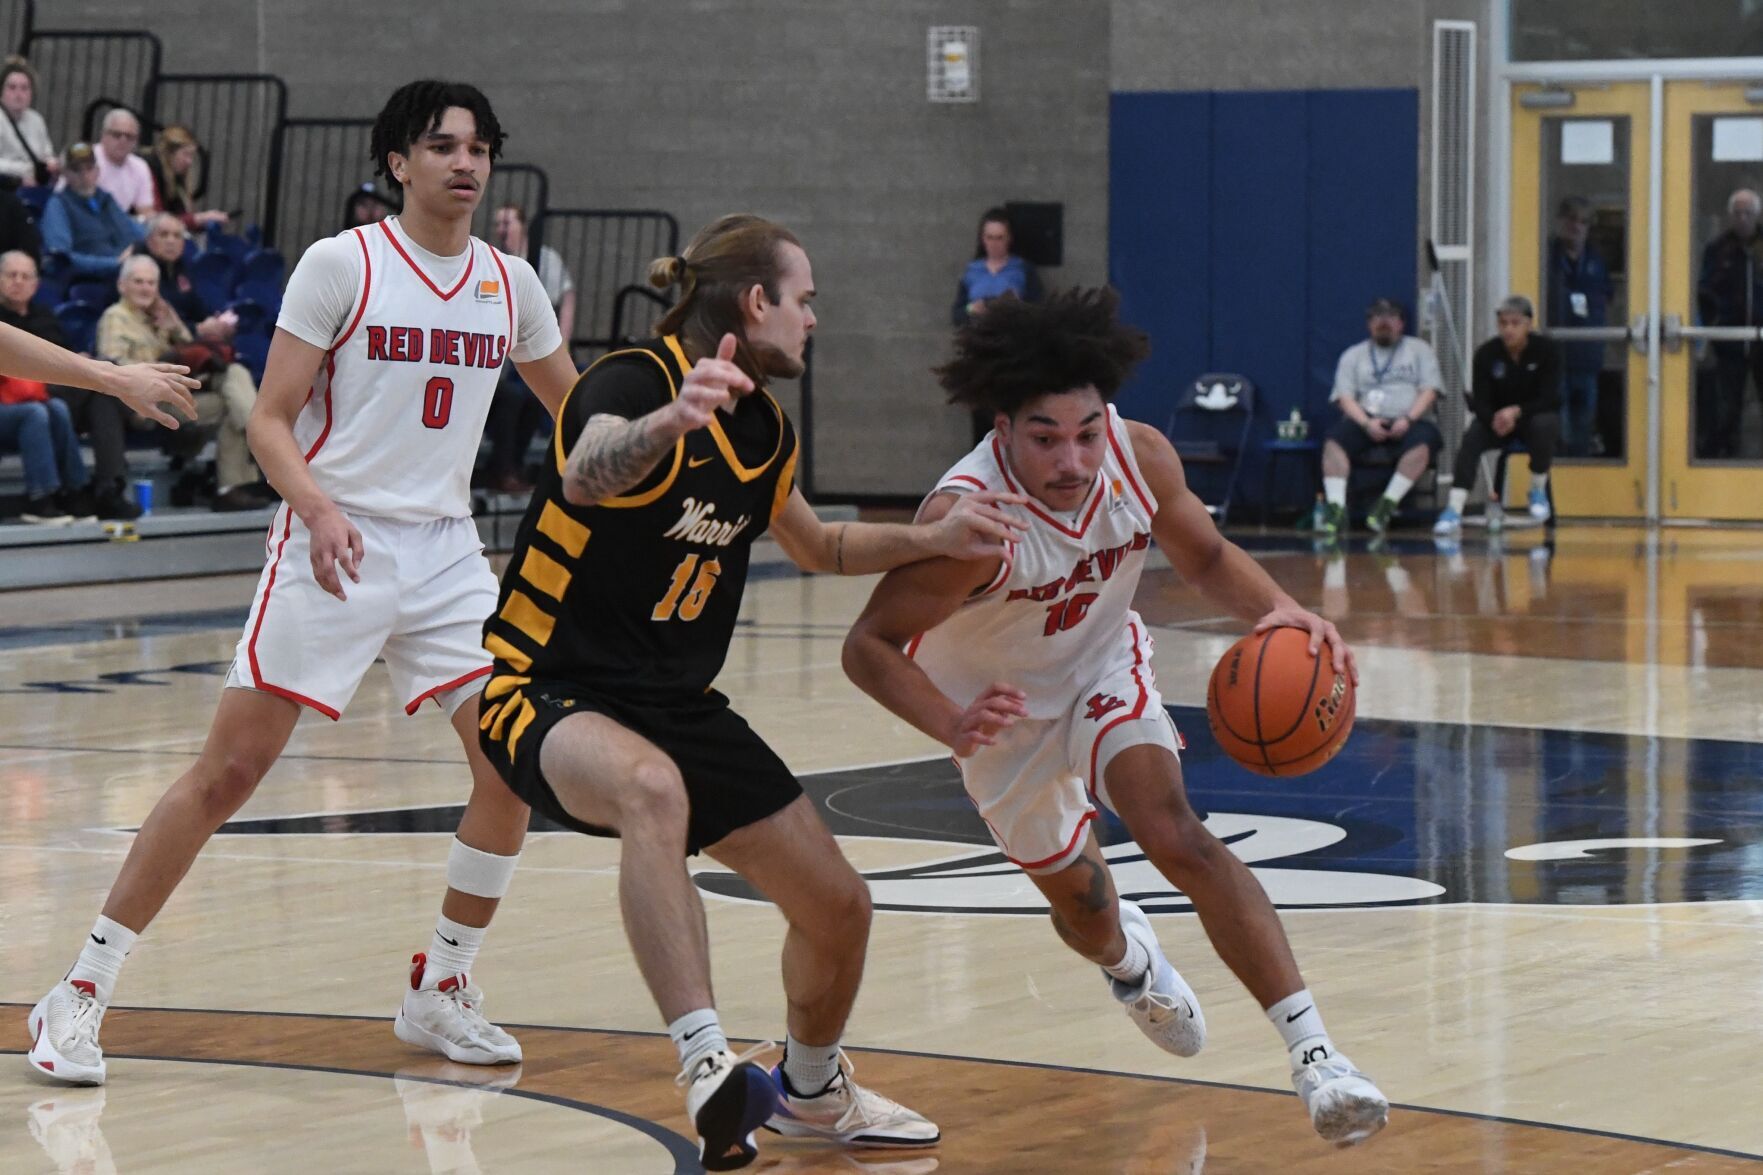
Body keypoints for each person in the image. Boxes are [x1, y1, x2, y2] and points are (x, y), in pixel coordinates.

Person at [25, 80, 581, 1089]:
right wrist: (320, 511)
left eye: (480, 148)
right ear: (396, 163)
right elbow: (273, 419)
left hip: (450, 550)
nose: (465, 162)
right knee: (229, 773)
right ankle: (82, 987)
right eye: (442, 145)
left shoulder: (511, 284)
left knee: (511, 764)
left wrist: (670, 432)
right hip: (337, 534)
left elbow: (578, 418)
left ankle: (440, 985)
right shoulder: (343, 263)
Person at [476, 213, 1022, 1168]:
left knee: (839, 905)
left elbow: (819, 546)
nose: (814, 320)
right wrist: (669, 422)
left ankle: (810, 1093)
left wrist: (928, 540)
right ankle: (705, 1067)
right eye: (804, 301)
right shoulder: (630, 381)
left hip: (677, 705)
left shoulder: (765, 428)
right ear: (756, 300)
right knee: (652, 790)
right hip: (544, 685)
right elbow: (585, 470)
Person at [842, 287, 1390, 1148]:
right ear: (1000, 427)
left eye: (1086, 430)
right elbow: (868, 645)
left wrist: (1282, 613)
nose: (1072, 459)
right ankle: (1130, 963)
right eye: (1045, 437)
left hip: (1100, 663)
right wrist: (951, 724)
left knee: (1177, 833)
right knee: (1087, 913)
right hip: (1001, 717)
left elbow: (1203, 552)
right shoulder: (968, 526)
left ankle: (1319, 1058)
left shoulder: (1138, 458)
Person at [96, 254, 268, 511]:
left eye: (151, 283)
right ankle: (261, 440)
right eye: (139, 282)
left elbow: (193, 349)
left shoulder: (161, 316)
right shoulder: (115, 317)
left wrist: (174, 325)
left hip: (177, 395)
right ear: (122, 285)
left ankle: (234, 478)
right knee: (236, 397)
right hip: (146, 403)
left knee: (234, 377)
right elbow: (114, 366)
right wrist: (162, 361)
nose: (146, 288)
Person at [0, 249, 139, 518]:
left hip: (49, 392)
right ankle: (42, 497)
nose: (18, 281)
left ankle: (101, 489)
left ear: (36, 284)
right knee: (42, 411)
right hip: (11, 399)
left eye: (25, 276)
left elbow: (64, 358)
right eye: (11, 275)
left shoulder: (45, 316)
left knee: (97, 395)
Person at [1434, 296, 1562, 536]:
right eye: (1503, 323)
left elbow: (1551, 398)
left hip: (1531, 419)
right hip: (1496, 421)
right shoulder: (1486, 353)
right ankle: (1453, 508)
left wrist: (1517, 412)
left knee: (1546, 424)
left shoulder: (1546, 351)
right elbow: (1480, 400)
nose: (1508, 329)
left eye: (1515, 323)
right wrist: (1494, 418)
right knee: (1471, 438)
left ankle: (1536, 490)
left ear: (1528, 324)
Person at [1319, 297, 1445, 537]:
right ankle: (1336, 508)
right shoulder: (1353, 355)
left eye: (1390, 317)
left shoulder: (1419, 350)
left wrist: (1408, 419)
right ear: (1369, 324)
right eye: (1377, 317)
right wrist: (1366, 423)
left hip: (1408, 419)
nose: (1383, 322)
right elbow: (1344, 397)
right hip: (1367, 419)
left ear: (1401, 323)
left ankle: (1386, 505)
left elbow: (1430, 390)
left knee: (1425, 442)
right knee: (1334, 442)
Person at [482, 202, 577, 490]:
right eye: (498, 223)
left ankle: (515, 468)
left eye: (507, 223)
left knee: (535, 399)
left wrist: (562, 341)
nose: (501, 229)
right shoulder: (492, 260)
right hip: (499, 357)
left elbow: (567, 296)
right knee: (509, 398)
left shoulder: (544, 260)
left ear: (522, 226)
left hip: (532, 349)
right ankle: (503, 469)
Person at [1696, 188, 1763, 459]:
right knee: (1727, 409)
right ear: (1730, 216)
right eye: (1738, 213)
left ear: (1757, 215)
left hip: (1761, 340)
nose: (1743, 218)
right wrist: (1715, 324)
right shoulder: (1718, 248)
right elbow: (1705, 291)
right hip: (1729, 342)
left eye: (1748, 213)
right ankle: (1726, 460)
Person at [1546, 196, 1612, 456]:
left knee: (1583, 426)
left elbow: (1606, 297)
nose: (1577, 226)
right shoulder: (1547, 258)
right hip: (1556, 354)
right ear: (1561, 221)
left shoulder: (1596, 262)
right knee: (1559, 429)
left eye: (1583, 222)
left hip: (1587, 356)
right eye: (1572, 219)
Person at [40, 142, 143, 279]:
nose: (84, 175)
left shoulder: (106, 200)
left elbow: (136, 235)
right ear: (65, 174)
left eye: (89, 168)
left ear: (97, 171)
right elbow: (61, 257)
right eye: (76, 170)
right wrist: (115, 263)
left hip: (126, 274)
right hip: (90, 280)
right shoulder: (58, 205)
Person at [951, 207, 1041, 327]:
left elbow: (1039, 310)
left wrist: (1018, 307)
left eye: (999, 238)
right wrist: (971, 308)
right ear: (983, 239)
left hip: (1012, 337)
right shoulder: (971, 271)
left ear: (1009, 238)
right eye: (990, 237)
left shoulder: (1023, 269)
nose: (994, 244)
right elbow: (956, 315)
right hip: (978, 338)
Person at [145, 124, 230, 232]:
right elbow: (155, 220)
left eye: (191, 156)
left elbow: (183, 216)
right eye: (185, 154)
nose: (189, 162)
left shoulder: (177, 178)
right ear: (169, 153)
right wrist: (200, 218)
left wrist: (204, 221)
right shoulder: (149, 172)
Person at [0, 57, 57, 189]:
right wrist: (25, 170)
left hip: (34, 187)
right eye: (12, 88)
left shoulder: (36, 120)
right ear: (1, 92)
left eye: (24, 88)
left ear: (31, 93)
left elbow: (46, 153)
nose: (18, 94)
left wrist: (51, 164)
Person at [90, 109, 156, 218]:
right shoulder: (87, 159)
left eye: (129, 137)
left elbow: (146, 211)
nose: (123, 140)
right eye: (117, 135)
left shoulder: (140, 166)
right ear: (103, 135)